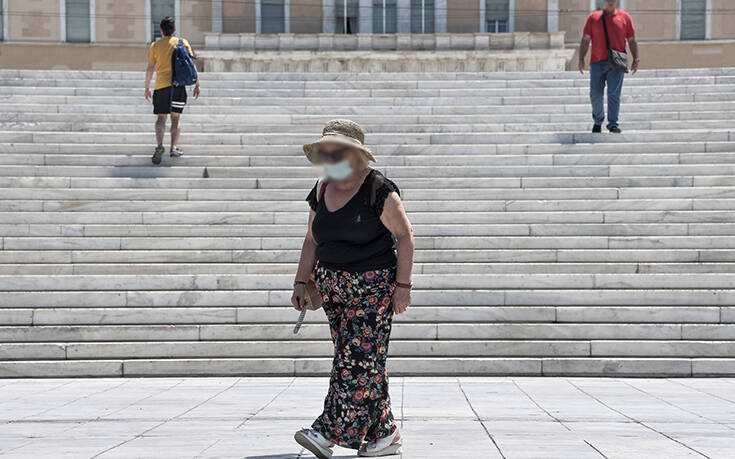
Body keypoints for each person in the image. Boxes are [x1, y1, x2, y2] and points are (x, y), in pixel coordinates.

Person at [291, 119, 414, 458]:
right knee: (364, 361)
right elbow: (311, 239)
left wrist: (402, 287)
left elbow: (405, 237)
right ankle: (385, 434)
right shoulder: (321, 189)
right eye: (326, 151)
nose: (330, 157)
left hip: (373, 287)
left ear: (355, 154)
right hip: (333, 289)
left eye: (338, 151)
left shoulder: (378, 190)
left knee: (354, 359)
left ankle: (326, 432)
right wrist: (301, 281)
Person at [144, 16, 200, 164]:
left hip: (161, 86)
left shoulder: (155, 46)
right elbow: (191, 64)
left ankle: (160, 145)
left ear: (161, 30)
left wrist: (147, 87)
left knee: (161, 118)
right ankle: (173, 147)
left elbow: (150, 68)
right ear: (174, 30)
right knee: (176, 118)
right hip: (178, 86)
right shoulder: (182, 42)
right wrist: (197, 83)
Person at [578, 1, 639, 134]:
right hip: (597, 62)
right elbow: (586, 39)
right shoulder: (594, 18)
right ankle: (598, 120)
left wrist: (636, 59)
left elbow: (632, 40)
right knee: (595, 94)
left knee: (614, 94)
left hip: (617, 62)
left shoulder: (625, 17)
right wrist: (581, 58)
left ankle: (612, 124)